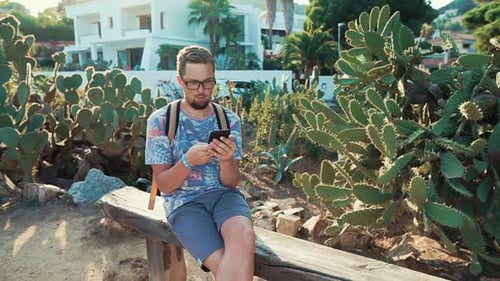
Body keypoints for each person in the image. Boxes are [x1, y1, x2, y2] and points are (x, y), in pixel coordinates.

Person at [145, 45, 255, 281]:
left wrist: (227, 161)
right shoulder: (161, 121)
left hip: (225, 197)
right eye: (193, 83)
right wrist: (187, 161)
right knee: (228, 262)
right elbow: (164, 185)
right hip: (185, 204)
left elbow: (232, 182)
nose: (202, 90)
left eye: (208, 82)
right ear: (180, 80)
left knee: (244, 235)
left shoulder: (229, 119)